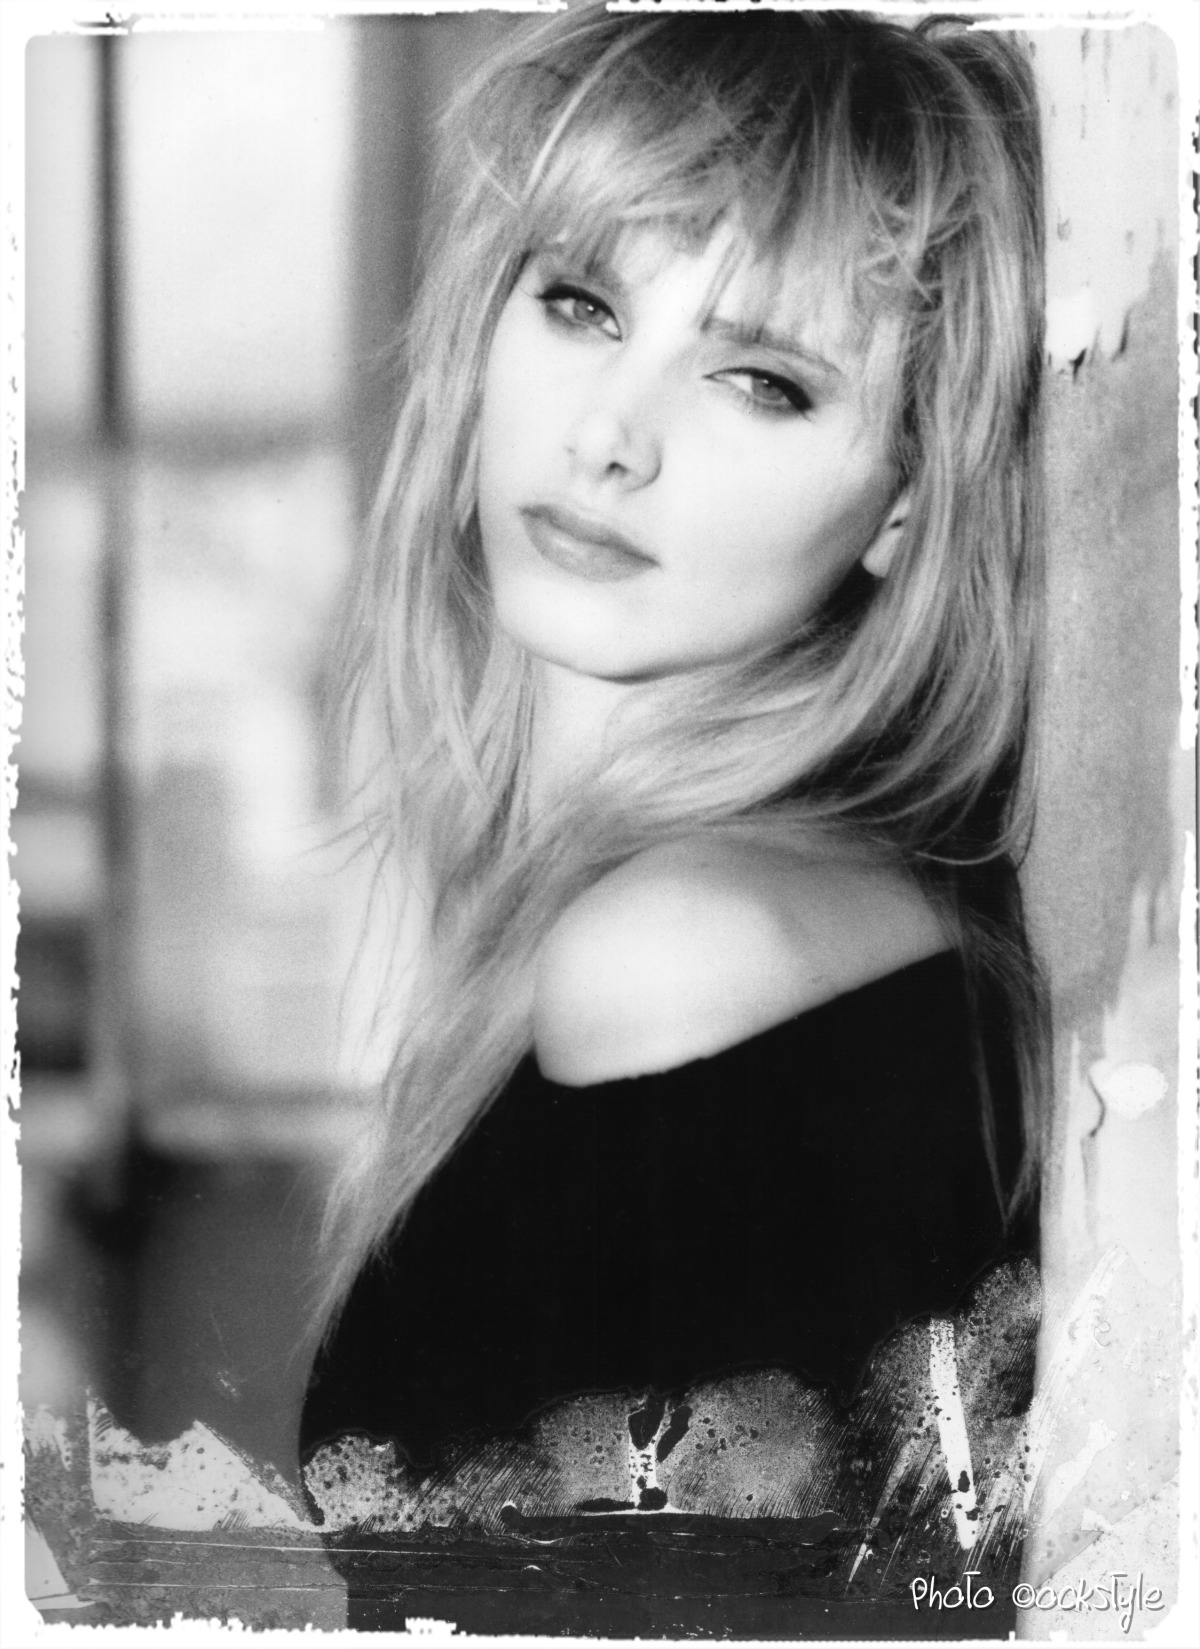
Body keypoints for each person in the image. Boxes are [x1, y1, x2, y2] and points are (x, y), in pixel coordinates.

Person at [301, 4, 1048, 1482]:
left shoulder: (688, 952)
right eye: (582, 303)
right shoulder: (762, 910)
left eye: (760, 380)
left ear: (907, 501)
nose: (608, 438)